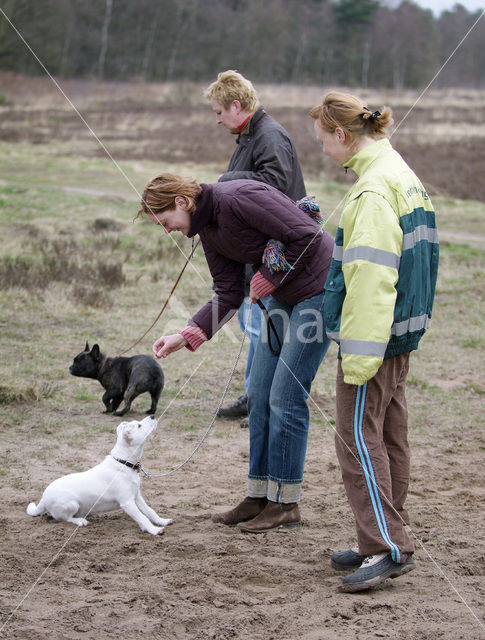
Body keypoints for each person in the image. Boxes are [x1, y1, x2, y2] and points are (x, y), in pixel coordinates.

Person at [138, 174, 333, 532]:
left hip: (318, 291)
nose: (167, 231)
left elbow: (308, 234)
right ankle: (258, 495)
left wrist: (269, 277)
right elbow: (228, 292)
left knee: (285, 397)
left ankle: (286, 503)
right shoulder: (207, 230)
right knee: (259, 394)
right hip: (282, 296)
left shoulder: (238, 197)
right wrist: (188, 333)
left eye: (165, 222)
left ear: (180, 202)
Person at [310, 92, 439, 591]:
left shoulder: (372, 192)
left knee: (357, 441)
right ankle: (386, 534)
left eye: (323, 140)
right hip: (401, 335)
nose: (322, 150)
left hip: (375, 343)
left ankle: (386, 544)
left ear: (341, 135)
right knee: (389, 436)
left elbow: (370, 278)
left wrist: (358, 356)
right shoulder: (400, 174)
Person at [204, 70, 306, 422]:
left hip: (274, 255)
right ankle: (254, 396)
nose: (217, 120)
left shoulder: (270, 136)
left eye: (218, 112)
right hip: (258, 251)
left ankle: (261, 402)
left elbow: (272, 185)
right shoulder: (250, 136)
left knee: (267, 333)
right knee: (257, 330)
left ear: (236, 106)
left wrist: (226, 180)